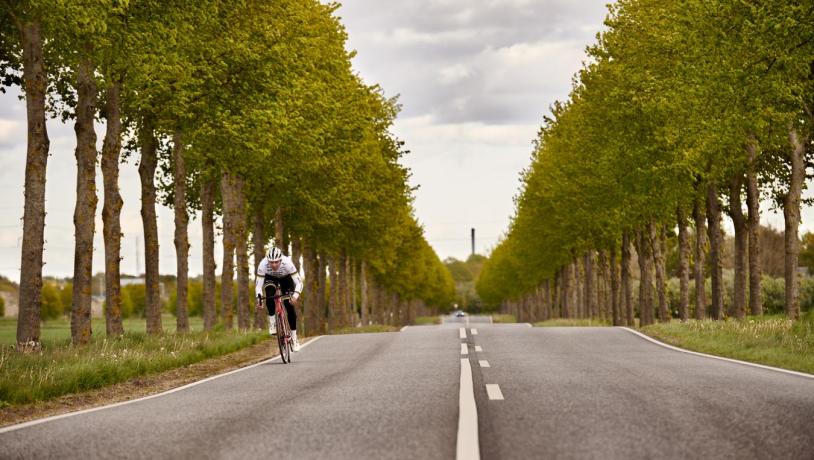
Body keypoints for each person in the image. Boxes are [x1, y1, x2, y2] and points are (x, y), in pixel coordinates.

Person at [256, 246, 303, 352]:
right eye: (271, 262)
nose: (274, 265)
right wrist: (259, 299)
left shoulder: (288, 263)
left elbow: (299, 283)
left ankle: (294, 339)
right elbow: (258, 286)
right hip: (270, 278)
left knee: (289, 305)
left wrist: (295, 296)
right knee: (269, 294)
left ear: (280, 260)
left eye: (276, 262)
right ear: (267, 260)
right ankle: (272, 322)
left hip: (286, 279)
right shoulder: (263, 264)